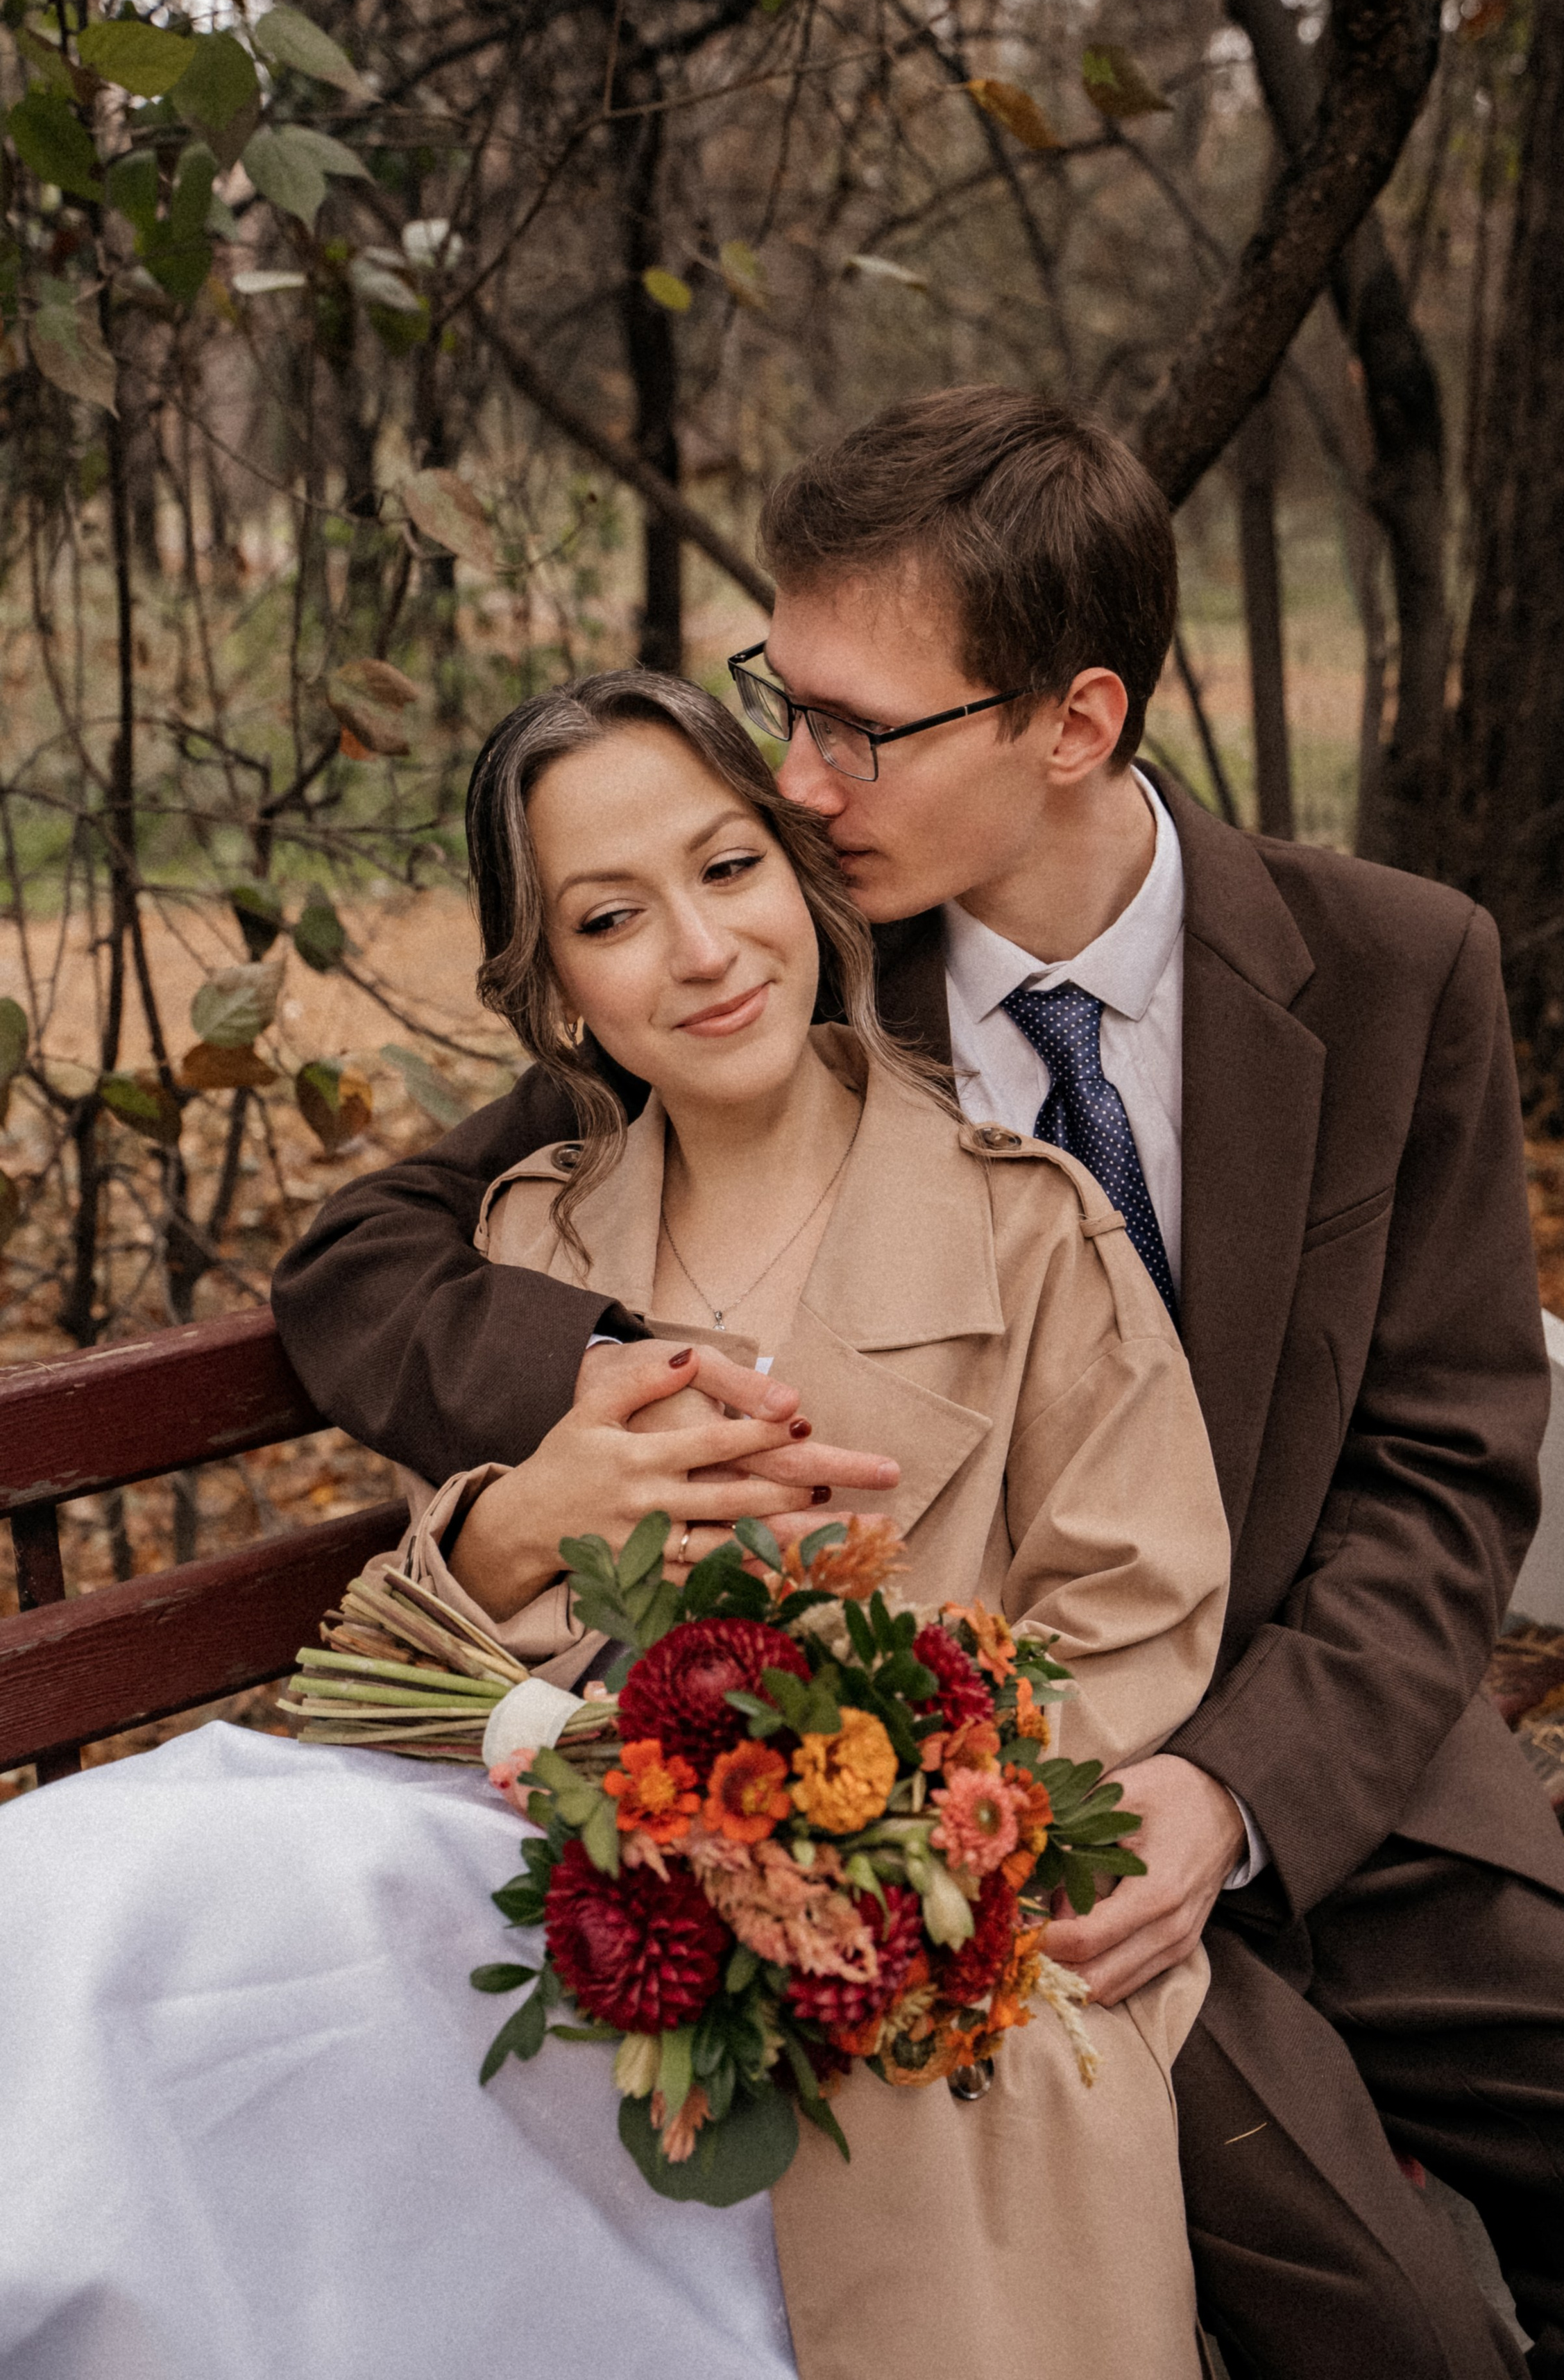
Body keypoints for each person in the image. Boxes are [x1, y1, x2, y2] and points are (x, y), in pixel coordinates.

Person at [275, 386, 1564, 2377]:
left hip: (1337, 1764)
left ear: (1073, 724)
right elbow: (368, 1262)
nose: (796, 782)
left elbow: (1442, 1471)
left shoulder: (1395, 967)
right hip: (970, 1807)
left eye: (856, 731)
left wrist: (1233, 1790)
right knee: (1385, 2316)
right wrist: (646, 1383)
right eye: (781, 700)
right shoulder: (784, 966)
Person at [0, 668, 1228, 2380]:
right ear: (559, 994)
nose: (702, 950)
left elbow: (1134, 1599)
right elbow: (436, 1664)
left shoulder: (1025, 1228)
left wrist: (888, 1823)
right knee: (98, 1905)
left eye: (729, 870)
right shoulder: (537, 1248)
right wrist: (517, 1533)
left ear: (805, 885)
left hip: (902, 1909)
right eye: (610, 915)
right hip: (556, 1879)